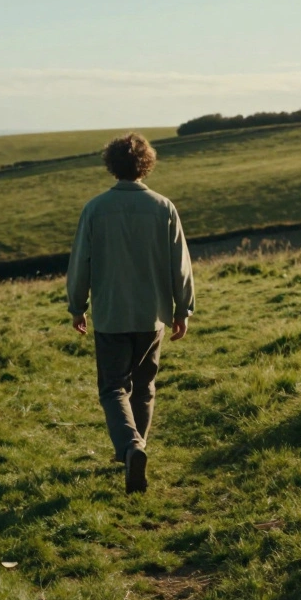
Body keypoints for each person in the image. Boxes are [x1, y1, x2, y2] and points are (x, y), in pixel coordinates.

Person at [66, 132, 195, 494]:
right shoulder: (163, 207)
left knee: (112, 388)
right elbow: (179, 264)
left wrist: (77, 305)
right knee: (144, 387)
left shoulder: (95, 209)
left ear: (112, 165)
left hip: (110, 313)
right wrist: (183, 308)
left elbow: (81, 264)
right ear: (145, 164)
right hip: (152, 314)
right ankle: (135, 448)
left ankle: (130, 448)